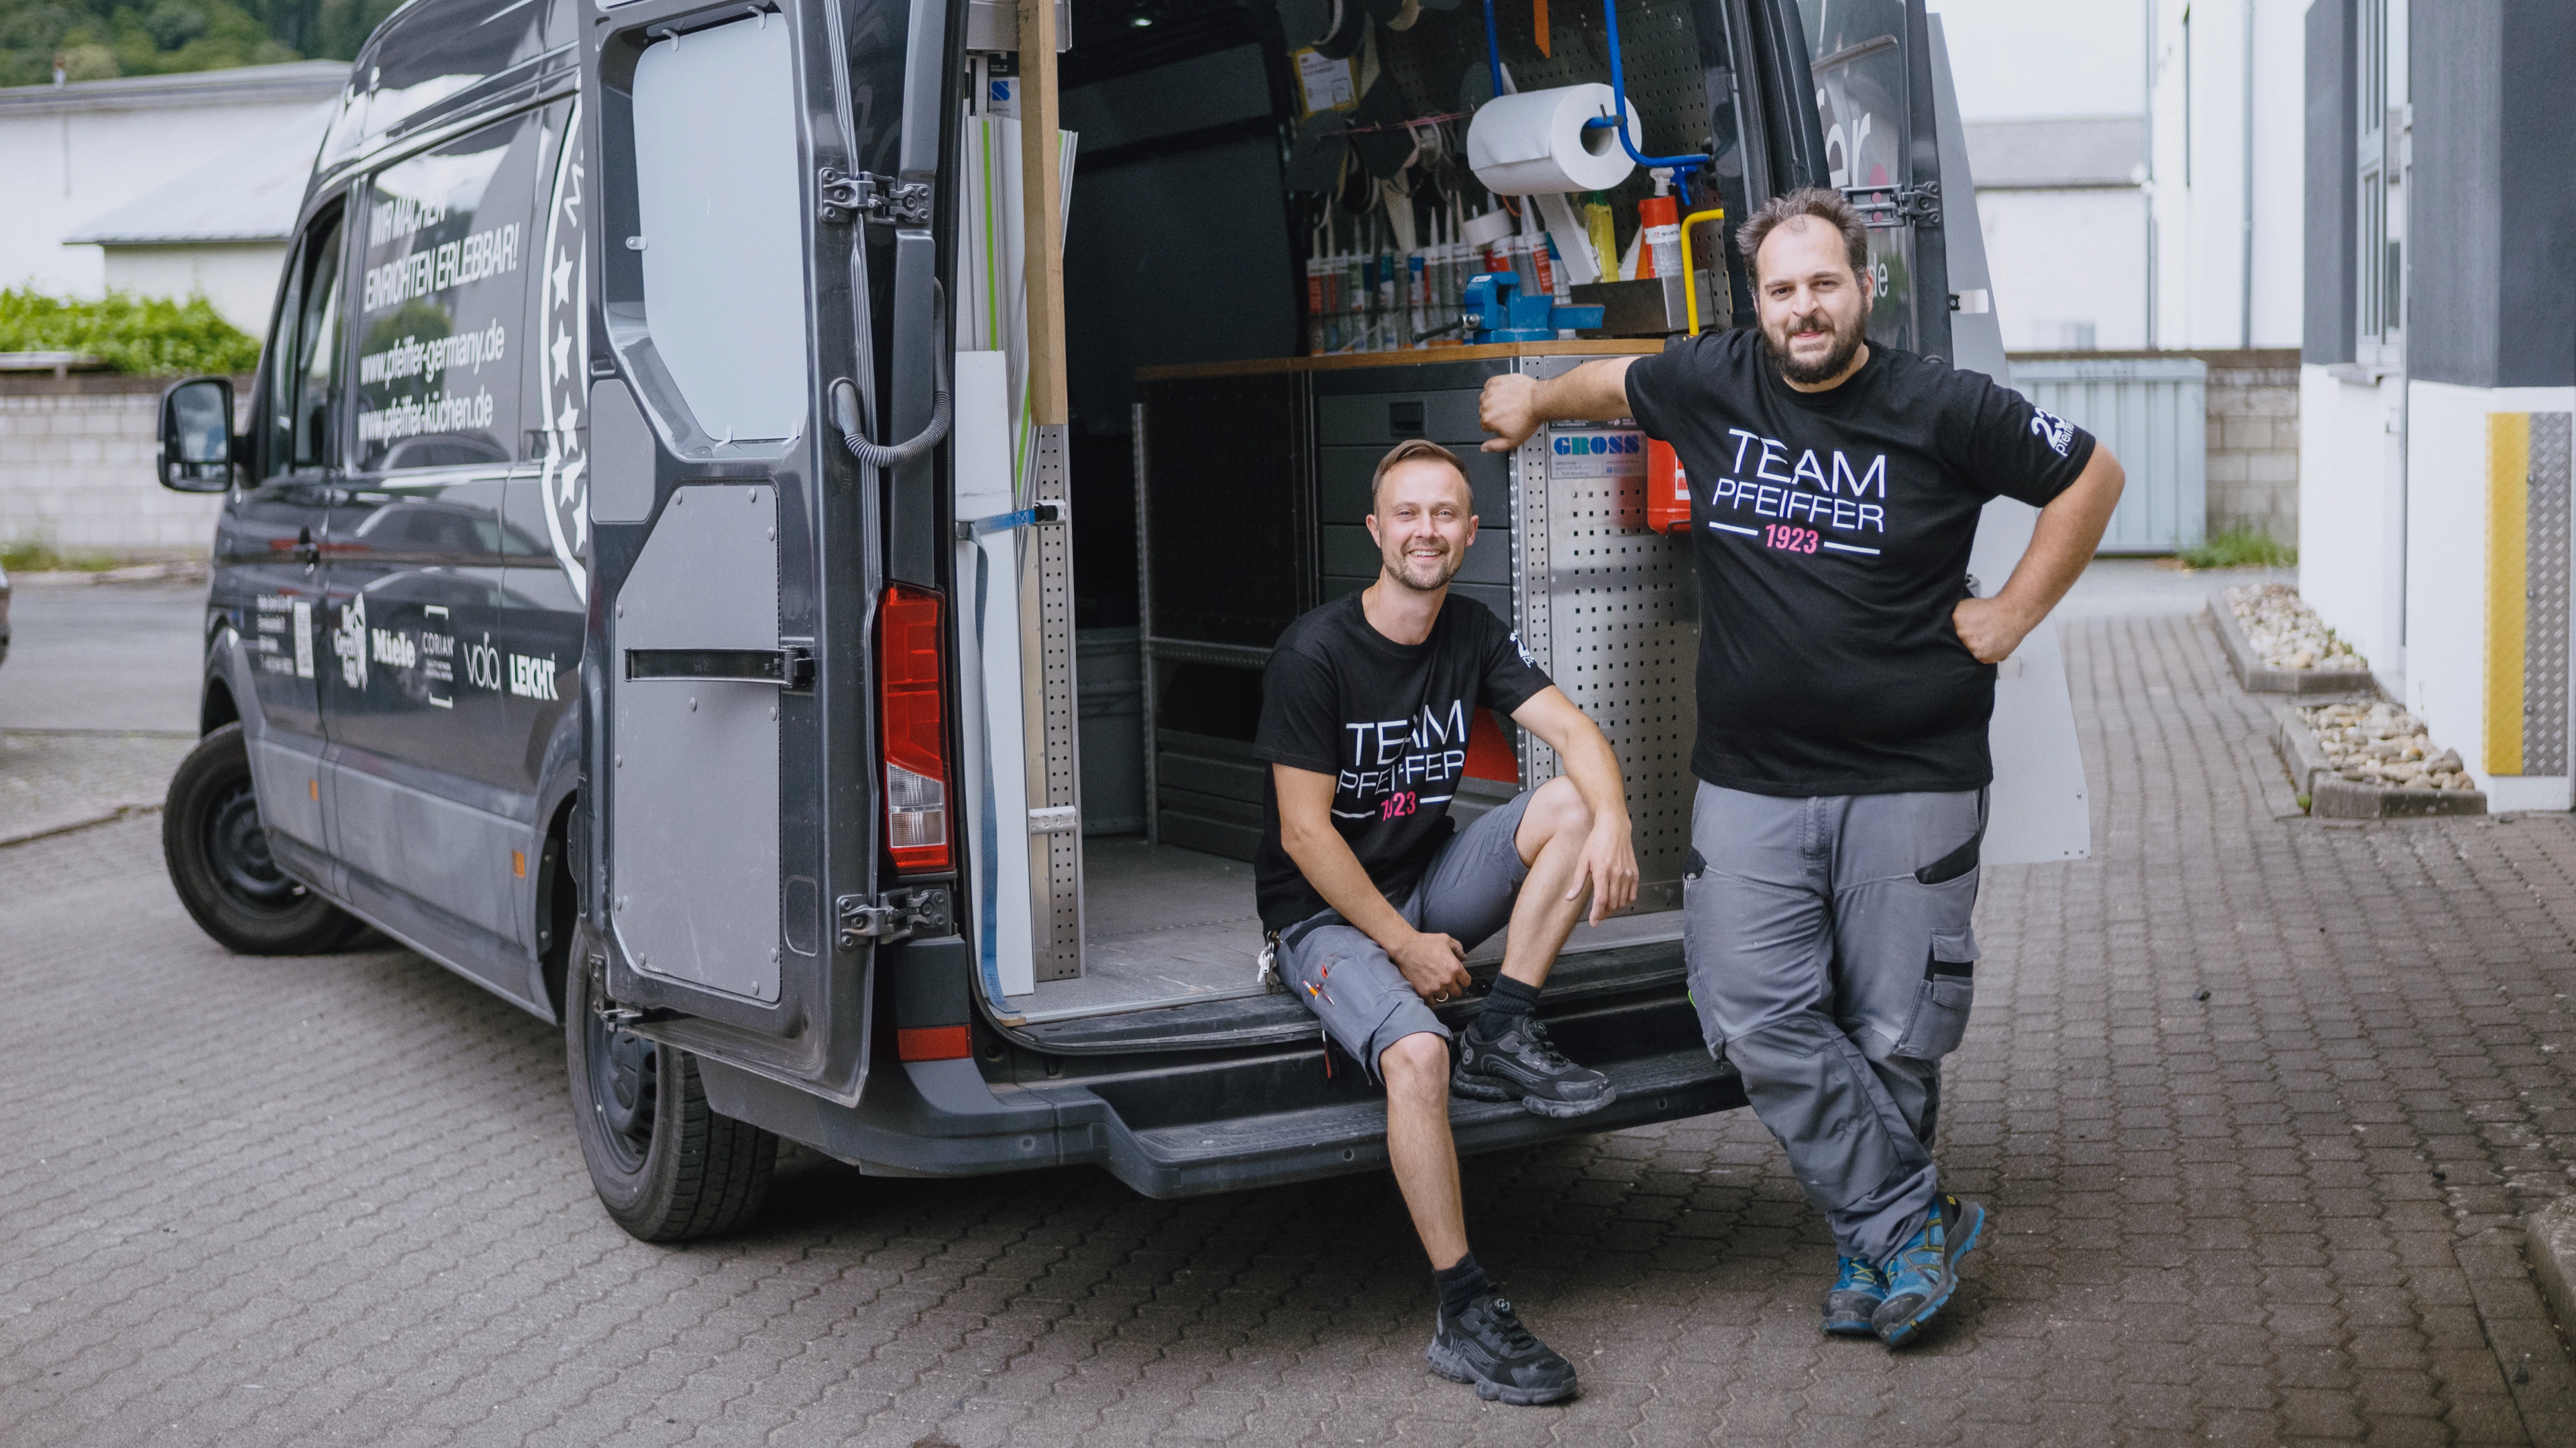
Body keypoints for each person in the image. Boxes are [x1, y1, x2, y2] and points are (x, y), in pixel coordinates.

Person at [1475, 186, 2125, 1349]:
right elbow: (1612, 383)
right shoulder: (1712, 379)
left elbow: (2092, 477)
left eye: (1824, 283)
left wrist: (2013, 614)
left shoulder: (1943, 402)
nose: (1803, 307)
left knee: (1895, 1028)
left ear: (1865, 287)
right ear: (1757, 302)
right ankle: (1910, 1215)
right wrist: (1531, 400)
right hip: (1752, 778)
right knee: (1747, 1006)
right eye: (1781, 289)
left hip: (1912, 774)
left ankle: (1877, 1253)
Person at [1255, 437, 1642, 1405]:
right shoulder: (1315, 652)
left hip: (1425, 883)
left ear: (1470, 533)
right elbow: (1304, 836)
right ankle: (1463, 1308)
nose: (1426, 530)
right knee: (1420, 1055)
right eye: (1408, 514)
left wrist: (1619, 825)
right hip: (1323, 920)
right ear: (1376, 530)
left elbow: (1575, 734)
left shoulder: (1472, 630)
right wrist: (1403, 943)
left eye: (1446, 514)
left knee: (1575, 804)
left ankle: (1508, 1024)